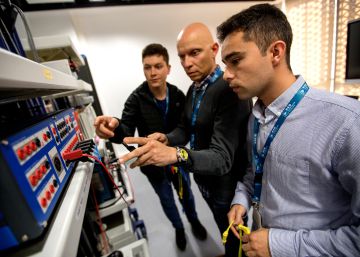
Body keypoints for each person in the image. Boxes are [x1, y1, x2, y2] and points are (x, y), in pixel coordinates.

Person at [216, 3, 360, 257]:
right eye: (225, 64)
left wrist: (278, 244)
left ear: (275, 52)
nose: (226, 75)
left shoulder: (346, 123)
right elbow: (255, 171)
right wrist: (241, 199)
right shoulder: (256, 116)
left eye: (235, 61)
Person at [119, 23, 252, 257]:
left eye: (194, 53)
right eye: (182, 56)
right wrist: (167, 138)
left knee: (235, 243)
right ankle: (185, 229)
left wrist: (175, 154)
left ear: (214, 49)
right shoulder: (194, 89)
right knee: (219, 230)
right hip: (205, 181)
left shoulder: (229, 90)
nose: (187, 63)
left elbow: (222, 159)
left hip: (226, 189)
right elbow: (184, 128)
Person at [93, 43, 207, 251]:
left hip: (176, 159)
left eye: (158, 66)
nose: (153, 72)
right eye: (148, 67)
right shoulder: (136, 99)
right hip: (153, 165)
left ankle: (193, 221)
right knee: (166, 199)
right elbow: (125, 131)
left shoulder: (179, 96)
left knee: (186, 195)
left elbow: (184, 128)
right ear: (143, 68)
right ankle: (179, 228)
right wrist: (116, 127)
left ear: (168, 68)